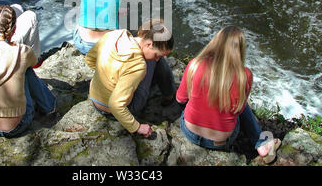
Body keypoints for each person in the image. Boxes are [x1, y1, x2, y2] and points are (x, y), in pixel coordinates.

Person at [176, 26, 281, 164]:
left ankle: (261, 142)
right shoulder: (244, 75)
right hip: (220, 141)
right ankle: (261, 143)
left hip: (190, 133)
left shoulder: (195, 64)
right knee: (243, 108)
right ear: (240, 49)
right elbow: (239, 109)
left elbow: (180, 98)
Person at [0, 5, 56, 137]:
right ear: (14, 29)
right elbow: (34, 62)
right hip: (17, 125)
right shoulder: (21, 51)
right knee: (26, 70)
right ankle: (49, 106)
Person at [85, 19, 176, 138]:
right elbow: (115, 105)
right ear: (149, 44)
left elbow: (89, 59)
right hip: (114, 111)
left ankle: (168, 93)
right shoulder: (138, 66)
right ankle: (169, 96)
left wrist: (108, 75)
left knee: (153, 62)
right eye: (157, 55)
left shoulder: (113, 35)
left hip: (95, 99)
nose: (157, 58)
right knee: (156, 64)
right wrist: (137, 127)